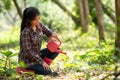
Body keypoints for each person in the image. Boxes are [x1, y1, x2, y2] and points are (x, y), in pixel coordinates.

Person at [18, 7, 59, 75]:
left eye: (39, 18)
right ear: (29, 20)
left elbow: (48, 32)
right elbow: (28, 52)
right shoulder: (26, 32)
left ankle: (43, 67)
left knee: (56, 49)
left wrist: (52, 35)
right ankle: (25, 70)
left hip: (37, 56)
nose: (38, 21)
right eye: (35, 20)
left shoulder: (39, 25)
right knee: (48, 73)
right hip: (27, 61)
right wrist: (42, 62)